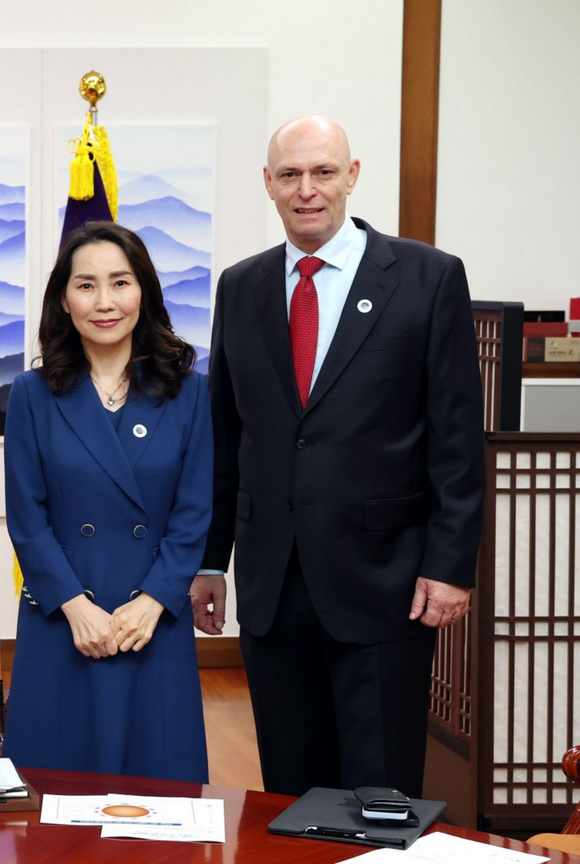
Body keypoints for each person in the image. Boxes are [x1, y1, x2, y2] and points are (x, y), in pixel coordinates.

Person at [190, 116, 484, 797]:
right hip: (273, 582)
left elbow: (457, 439)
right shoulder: (241, 286)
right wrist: (210, 559)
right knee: (291, 792)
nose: (307, 189)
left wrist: (449, 567)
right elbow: (226, 437)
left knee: (380, 793)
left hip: (385, 580)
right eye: (290, 174)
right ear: (268, 184)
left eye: (323, 172)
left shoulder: (427, 277)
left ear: (351, 176)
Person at [4, 221, 212, 783]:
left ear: (143, 291)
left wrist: (155, 600)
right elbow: (27, 518)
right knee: (54, 793)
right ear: (63, 299)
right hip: (64, 617)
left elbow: (194, 512)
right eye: (86, 285)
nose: (104, 302)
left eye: (120, 283)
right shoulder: (32, 393)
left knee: (158, 793)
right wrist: (75, 606)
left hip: (151, 621)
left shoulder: (189, 391)